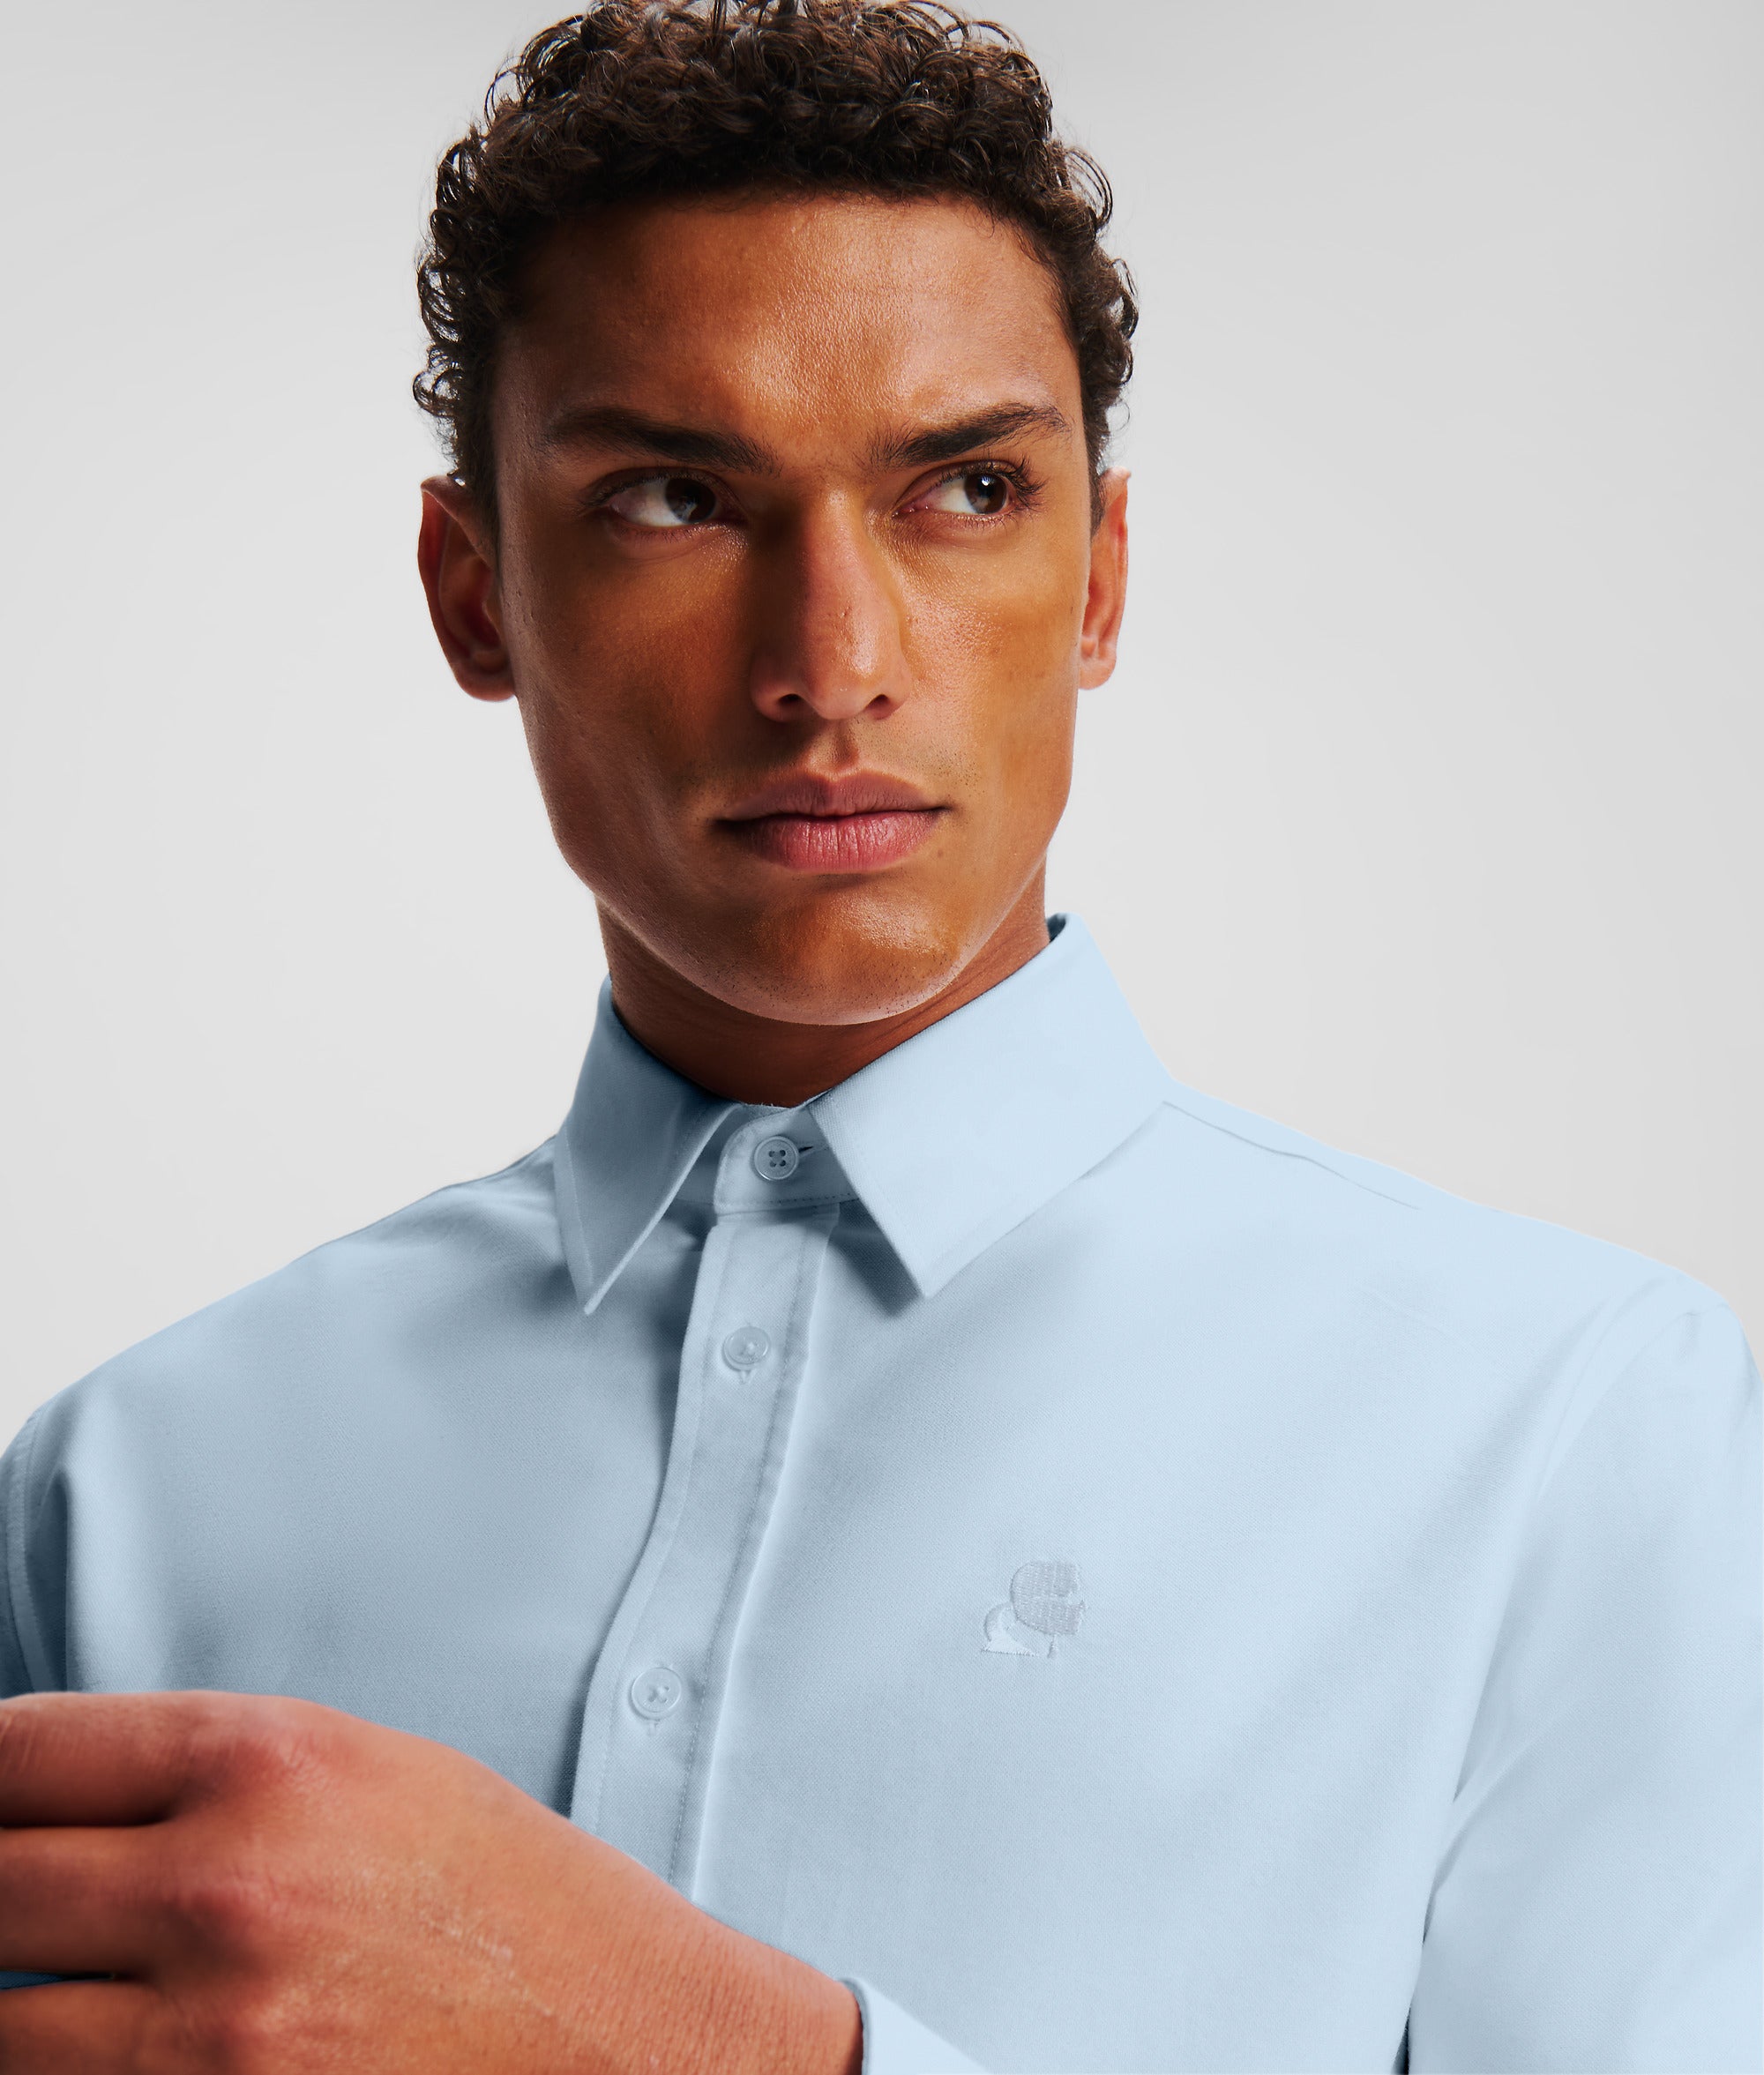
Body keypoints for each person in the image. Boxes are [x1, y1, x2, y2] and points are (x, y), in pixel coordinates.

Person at [0, 1, 1757, 2068]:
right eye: (674, 496)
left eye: (967, 488)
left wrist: (705, 2040)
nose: (830, 665)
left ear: (1097, 581)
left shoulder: (1567, 1429)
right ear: (475, 595)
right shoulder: (128, 1486)